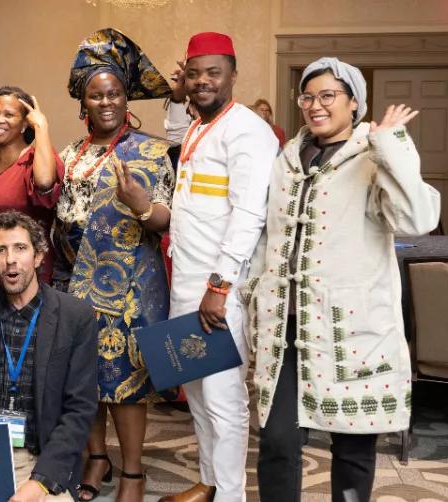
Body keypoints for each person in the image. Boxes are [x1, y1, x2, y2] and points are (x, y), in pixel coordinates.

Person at [247, 57, 439, 502]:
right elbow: (268, 237)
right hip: (286, 328)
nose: (316, 105)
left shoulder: (376, 155)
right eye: (308, 96)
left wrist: (390, 144)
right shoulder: (287, 160)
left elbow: (418, 219)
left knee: (353, 447)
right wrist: (253, 295)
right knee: (277, 442)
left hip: (351, 330)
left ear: (354, 103)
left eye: (328, 95)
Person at [51, 28, 176, 502]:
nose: (106, 102)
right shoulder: (70, 153)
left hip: (128, 283)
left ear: (127, 98)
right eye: (96, 95)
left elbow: (166, 220)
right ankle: (96, 457)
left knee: (125, 381)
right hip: (71, 278)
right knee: (83, 379)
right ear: (84, 103)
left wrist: (140, 203)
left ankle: (133, 473)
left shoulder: (151, 150)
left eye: (115, 93)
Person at [161, 32, 279, 502]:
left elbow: (249, 215)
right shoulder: (198, 125)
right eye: (194, 73)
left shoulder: (249, 130)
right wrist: (174, 101)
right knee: (198, 393)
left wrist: (220, 284)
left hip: (219, 291)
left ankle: (229, 495)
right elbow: (174, 138)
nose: (202, 81)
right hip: (187, 283)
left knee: (225, 397)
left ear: (233, 74)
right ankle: (207, 484)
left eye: (213, 72)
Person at [0, 210, 98, 501]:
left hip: (45, 460)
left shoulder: (75, 317)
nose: (10, 259)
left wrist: (40, 483)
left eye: (20, 248)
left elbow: (80, 411)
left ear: (39, 257)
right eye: (1, 250)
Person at [0, 86, 63, 299]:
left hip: (29, 284)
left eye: (9, 114)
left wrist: (41, 127)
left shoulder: (36, 159)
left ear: (24, 124)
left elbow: (45, 183)